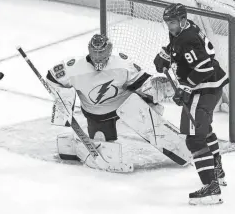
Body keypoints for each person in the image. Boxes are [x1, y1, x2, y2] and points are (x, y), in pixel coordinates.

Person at [46, 34, 169, 170]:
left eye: (102, 52)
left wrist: (155, 92)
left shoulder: (122, 64)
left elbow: (142, 82)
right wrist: (63, 103)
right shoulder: (74, 67)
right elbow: (52, 78)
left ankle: (163, 131)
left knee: (145, 112)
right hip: (97, 113)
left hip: (125, 104)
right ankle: (79, 148)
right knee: (102, 142)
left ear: (109, 50)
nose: (98, 56)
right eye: (95, 52)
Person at [153, 3, 228, 205]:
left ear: (183, 21)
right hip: (212, 87)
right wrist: (166, 55)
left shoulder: (188, 38)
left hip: (204, 88)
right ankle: (216, 169)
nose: (170, 26)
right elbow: (178, 49)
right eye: (167, 22)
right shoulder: (184, 29)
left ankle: (212, 187)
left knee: (194, 139)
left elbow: (204, 68)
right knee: (204, 129)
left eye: (173, 22)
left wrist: (186, 87)